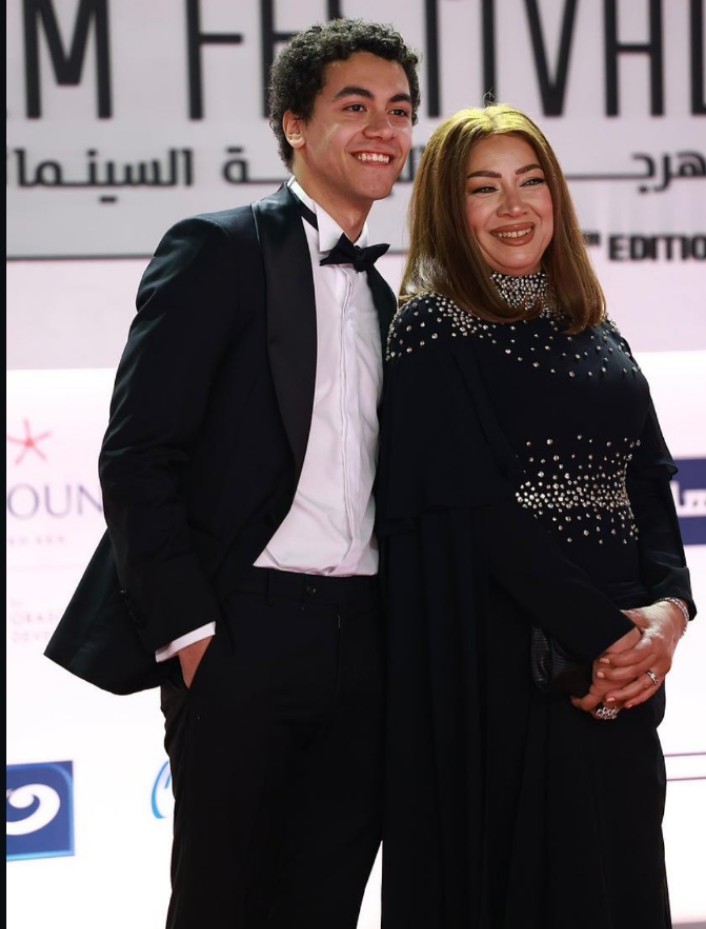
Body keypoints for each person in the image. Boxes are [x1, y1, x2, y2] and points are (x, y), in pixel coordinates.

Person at [44, 18, 420, 929]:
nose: (384, 128)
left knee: (325, 903)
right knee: (223, 906)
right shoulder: (218, 249)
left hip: (366, 642)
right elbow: (139, 454)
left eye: (401, 110)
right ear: (295, 124)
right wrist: (195, 636)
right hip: (244, 632)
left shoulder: (385, 296)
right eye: (356, 106)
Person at [377, 104, 695, 929]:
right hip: (516, 664)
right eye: (484, 188)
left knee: (621, 880)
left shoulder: (593, 322)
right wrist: (609, 639)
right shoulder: (431, 326)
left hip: (625, 663)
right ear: (450, 208)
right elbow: (479, 514)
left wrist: (670, 608)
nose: (514, 207)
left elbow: (649, 478)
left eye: (530, 182)